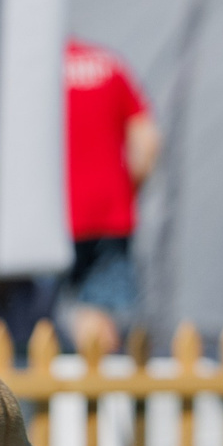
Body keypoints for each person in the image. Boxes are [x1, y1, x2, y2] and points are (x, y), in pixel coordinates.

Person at [57, 38, 159, 355]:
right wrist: (127, 191)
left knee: (44, 322)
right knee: (107, 314)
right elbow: (147, 141)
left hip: (52, 217)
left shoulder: (34, 70)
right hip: (109, 213)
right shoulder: (109, 65)